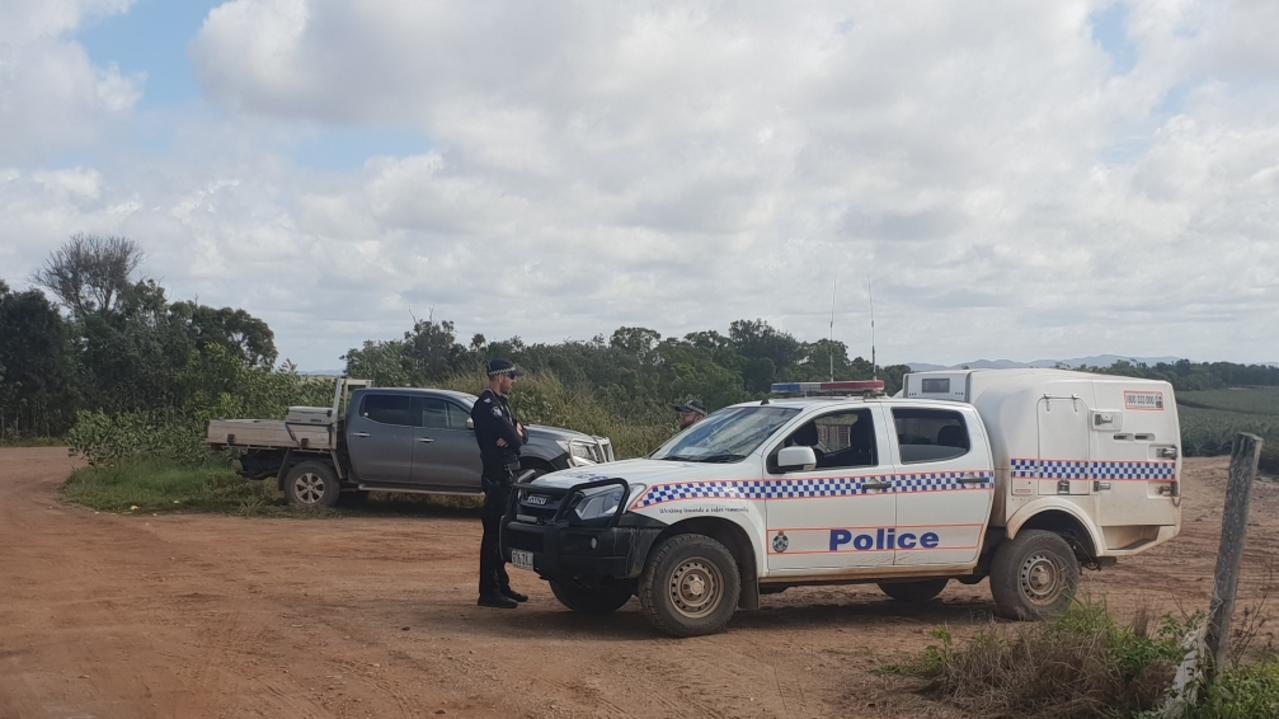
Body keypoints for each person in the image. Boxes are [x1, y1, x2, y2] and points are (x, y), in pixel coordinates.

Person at [470, 358, 529, 609]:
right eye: (511, 376)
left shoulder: (501, 404)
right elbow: (515, 441)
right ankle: (489, 591)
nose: (514, 381)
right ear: (499, 377)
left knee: (502, 533)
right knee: (493, 535)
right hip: (497, 477)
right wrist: (513, 434)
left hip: (508, 476)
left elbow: (523, 436)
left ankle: (501, 585)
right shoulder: (486, 406)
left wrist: (515, 432)